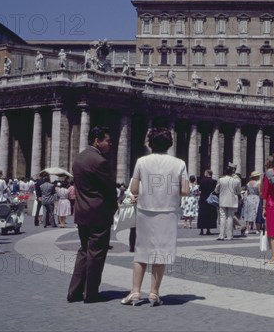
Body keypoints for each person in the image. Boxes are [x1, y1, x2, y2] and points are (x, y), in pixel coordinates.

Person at [121, 127, 189, 306]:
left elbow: (134, 189)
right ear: (169, 144)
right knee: (161, 254)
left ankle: (135, 292)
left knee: (141, 252)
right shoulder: (179, 163)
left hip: (145, 211)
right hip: (168, 212)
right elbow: (185, 190)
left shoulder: (141, 161)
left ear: (150, 143)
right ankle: (153, 293)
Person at [67, 126, 118, 303]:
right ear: (97, 140)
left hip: (82, 211)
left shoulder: (79, 158)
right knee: (96, 253)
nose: (110, 144)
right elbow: (110, 188)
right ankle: (91, 293)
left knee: (83, 251)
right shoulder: (99, 161)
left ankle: (74, 292)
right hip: (98, 213)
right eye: (107, 141)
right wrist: (114, 206)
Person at [214, 165, 242, 241]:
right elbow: (239, 191)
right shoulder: (236, 181)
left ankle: (221, 235)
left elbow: (216, 190)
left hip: (223, 200)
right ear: (232, 172)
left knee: (222, 218)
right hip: (232, 200)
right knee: (230, 218)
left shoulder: (220, 180)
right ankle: (229, 236)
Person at [197, 170, 217, 236]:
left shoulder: (202, 181)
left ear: (206, 173)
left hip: (203, 198)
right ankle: (208, 230)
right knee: (210, 214)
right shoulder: (214, 181)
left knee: (202, 214)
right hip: (211, 199)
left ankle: (201, 230)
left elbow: (200, 190)